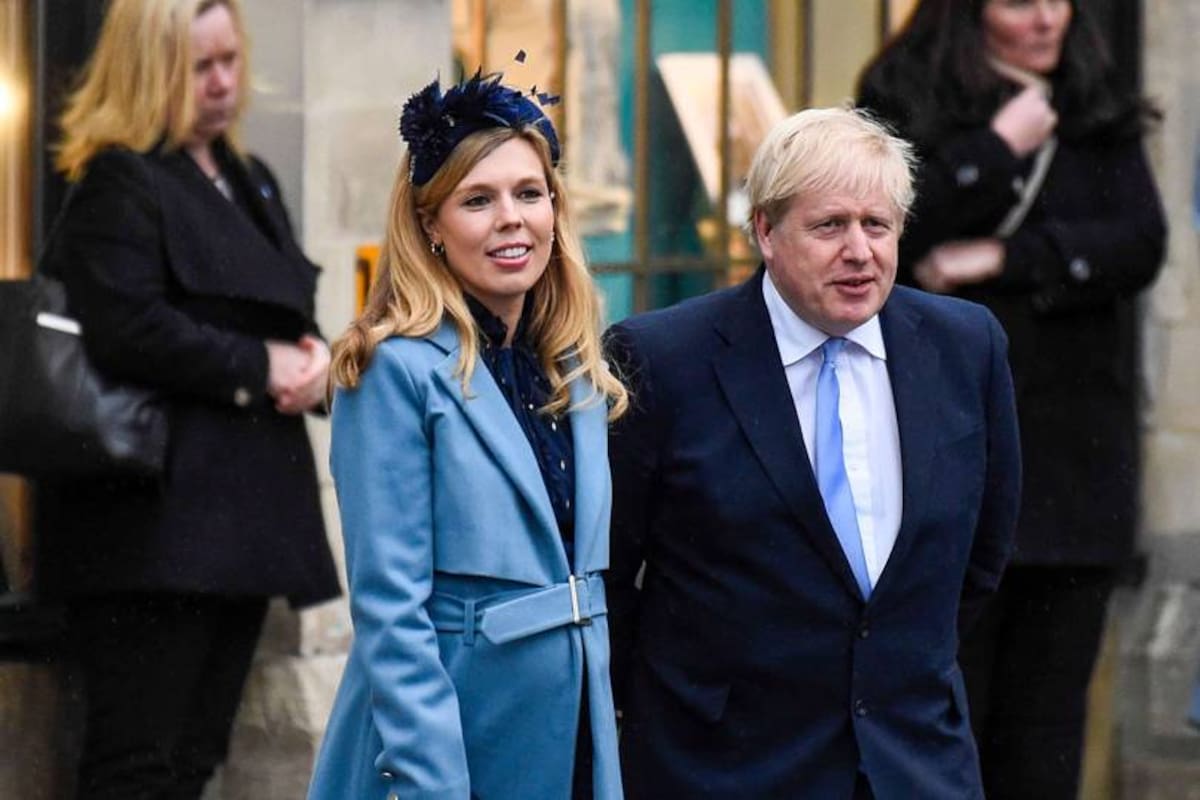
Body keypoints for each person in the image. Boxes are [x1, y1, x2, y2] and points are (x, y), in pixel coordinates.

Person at [605, 106, 1021, 800]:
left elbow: (980, 555)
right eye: (830, 226)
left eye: (877, 225)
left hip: (913, 766)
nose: (859, 250)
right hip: (722, 767)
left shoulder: (965, 345)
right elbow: (610, 575)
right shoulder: (663, 359)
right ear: (765, 230)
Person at [856, 2, 1167, 796]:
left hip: (1072, 455)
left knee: (1048, 728)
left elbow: (1138, 240)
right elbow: (883, 227)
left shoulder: (1092, 100)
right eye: (1018, 1)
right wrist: (996, 150)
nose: (1046, 18)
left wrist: (1005, 256)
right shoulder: (902, 93)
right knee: (939, 716)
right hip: (942, 446)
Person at [34, 0, 341, 797]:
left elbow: (281, 304)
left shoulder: (250, 179)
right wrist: (259, 365)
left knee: (195, 757)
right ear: (151, 70)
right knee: (139, 763)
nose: (223, 83)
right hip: (149, 527)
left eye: (230, 60)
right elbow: (126, 326)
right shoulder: (118, 179)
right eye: (199, 66)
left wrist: (310, 362)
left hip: (239, 523)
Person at [307, 71, 629, 800]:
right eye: (477, 200)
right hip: (453, 748)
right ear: (430, 226)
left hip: (571, 741)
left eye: (529, 193)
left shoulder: (574, 367)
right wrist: (434, 784)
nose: (512, 219)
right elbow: (391, 614)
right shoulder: (391, 369)